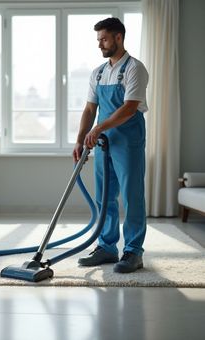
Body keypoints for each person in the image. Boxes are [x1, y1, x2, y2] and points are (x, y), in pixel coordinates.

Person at [73, 17, 149, 273]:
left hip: (127, 140)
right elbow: (90, 108)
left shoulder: (134, 69)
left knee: (131, 196)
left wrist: (98, 129)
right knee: (104, 197)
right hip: (104, 142)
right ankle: (107, 247)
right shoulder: (99, 72)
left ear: (118, 37)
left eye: (104, 39)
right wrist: (80, 140)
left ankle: (133, 252)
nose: (100, 45)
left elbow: (129, 108)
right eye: (98, 40)